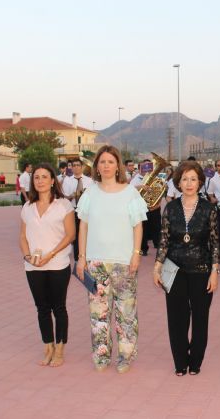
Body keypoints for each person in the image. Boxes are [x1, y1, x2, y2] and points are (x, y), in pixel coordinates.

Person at [76, 145, 148, 373]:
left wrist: (136, 254)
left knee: (126, 313)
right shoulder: (90, 193)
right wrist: (81, 258)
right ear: (96, 166)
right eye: (102, 162)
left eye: (110, 161)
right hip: (96, 263)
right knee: (99, 313)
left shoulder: (130, 193)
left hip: (124, 262)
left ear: (118, 165)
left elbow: (138, 226)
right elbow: (83, 227)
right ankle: (101, 355)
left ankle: (125, 356)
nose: (106, 166)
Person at [153, 161, 220, 376]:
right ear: (178, 182)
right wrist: (156, 267)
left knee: (200, 318)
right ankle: (180, 362)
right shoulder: (170, 209)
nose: (189, 183)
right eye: (184, 179)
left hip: (202, 270)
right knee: (177, 319)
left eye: (193, 179)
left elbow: (215, 243)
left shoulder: (209, 209)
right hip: (175, 271)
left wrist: (214, 272)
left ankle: (196, 362)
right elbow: (164, 241)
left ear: (200, 182)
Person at [19, 163, 75, 367]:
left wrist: (50, 255)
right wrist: (27, 256)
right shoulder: (27, 207)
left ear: (53, 181)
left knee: (58, 307)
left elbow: (70, 235)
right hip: (33, 267)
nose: (40, 180)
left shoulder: (63, 205)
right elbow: (23, 236)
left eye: (44, 177)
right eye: (36, 177)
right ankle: (48, 346)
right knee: (42, 308)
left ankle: (60, 348)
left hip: (58, 264)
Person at [62, 158, 94, 259]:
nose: (76, 167)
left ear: (81, 167)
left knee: (87, 233)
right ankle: (77, 256)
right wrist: (71, 195)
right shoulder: (67, 180)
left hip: (86, 210)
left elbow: (93, 196)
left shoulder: (89, 181)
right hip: (73, 210)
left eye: (78, 165)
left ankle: (87, 254)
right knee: (75, 234)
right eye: (73, 165)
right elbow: (64, 197)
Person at [130, 159, 162, 256]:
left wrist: (157, 203)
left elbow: (160, 191)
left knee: (157, 228)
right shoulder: (135, 180)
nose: (147, 170)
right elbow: (129, 191)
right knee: (142, 229)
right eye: (144, 168)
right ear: (140, 169)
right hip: (141, 208)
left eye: (149, 167)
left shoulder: (155, 178)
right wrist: (140, 187)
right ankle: (143, 249)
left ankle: (158, 246)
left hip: (153, 208)